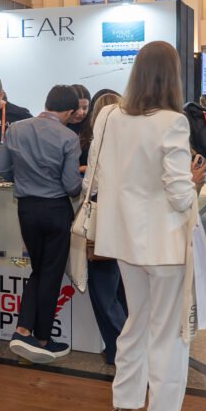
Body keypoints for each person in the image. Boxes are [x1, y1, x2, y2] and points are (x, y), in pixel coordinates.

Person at [88, 41, 206, 411]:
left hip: (123, 240)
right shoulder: (172, 122)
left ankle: (124, 407)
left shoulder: (109, 116)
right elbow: (178, 194)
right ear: (171, 76)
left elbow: (96, 177)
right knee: (169, 335)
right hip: (164, 243)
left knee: (136, 323)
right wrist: (194, 181)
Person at [0, 85, 81, 363]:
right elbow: (71, 186)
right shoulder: (69, 137)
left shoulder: (16, 129)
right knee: (50, 273)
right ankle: (41, 338)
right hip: (56, 210)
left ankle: (25, 331)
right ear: (69, 111)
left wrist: (24, 177)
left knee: (39, 269)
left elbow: (1, 169)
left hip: (27, 210)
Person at [84, 91, 128, 366]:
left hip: (103, 214)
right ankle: (122, 348)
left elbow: (92, 181)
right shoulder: (131, 141)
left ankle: (122, 348)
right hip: (128, 216)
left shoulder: (100, 142)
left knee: (102, 288)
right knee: (122, 287)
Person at [67, 84, 92, 174]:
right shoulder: (56, 126)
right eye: (76, 107)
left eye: (85, 108)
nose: (81, 112)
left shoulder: (93, 127)